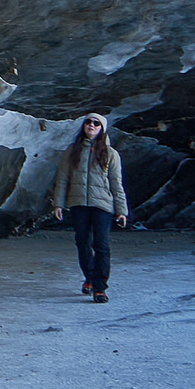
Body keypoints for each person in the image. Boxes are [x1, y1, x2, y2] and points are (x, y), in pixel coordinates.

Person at [49, 113, 127, 301]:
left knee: (101, 244)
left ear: (102, 129)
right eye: (88, 122)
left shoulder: (110, 153)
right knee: (82, 242)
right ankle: (90, 277)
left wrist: (121, 210)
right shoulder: (73, 150)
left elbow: (116, 184)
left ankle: (100, 287)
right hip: (78, 204)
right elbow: (62, 179)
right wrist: (58, 203)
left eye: (96, 123)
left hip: (102, 205)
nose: (91, 125)